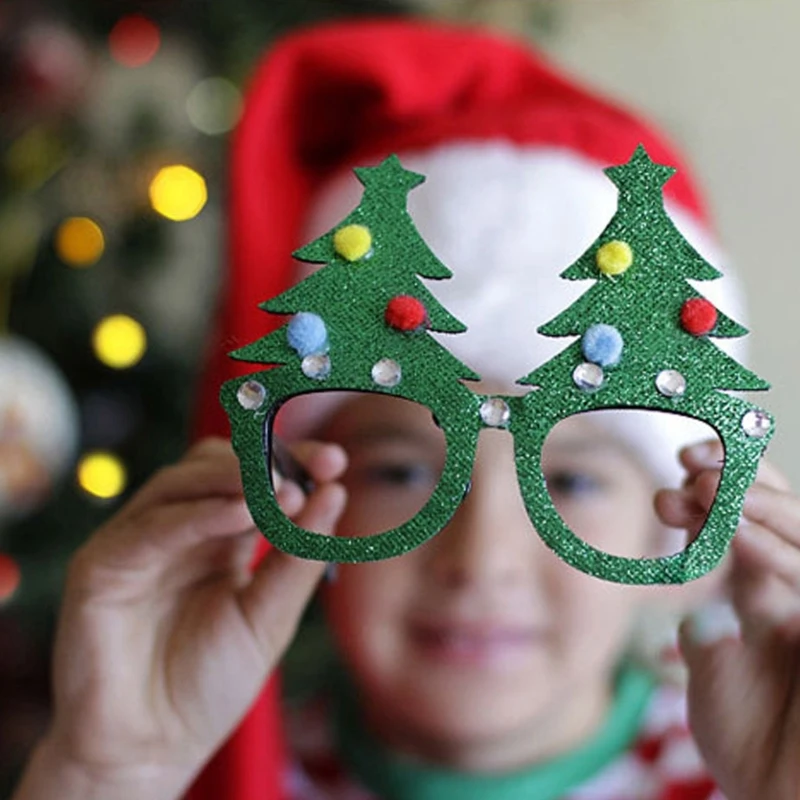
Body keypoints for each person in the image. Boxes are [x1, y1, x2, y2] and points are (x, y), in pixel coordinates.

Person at [11, 18, 800, 800]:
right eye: (400, 469)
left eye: (573, 483)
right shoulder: (195, 772)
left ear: (681, 532)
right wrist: (106, 775)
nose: (480, 560)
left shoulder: (746, 779)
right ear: (300, 499)